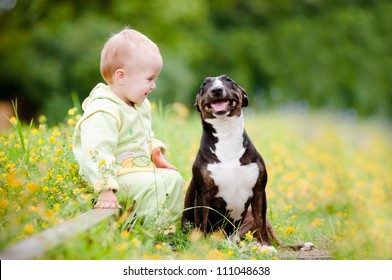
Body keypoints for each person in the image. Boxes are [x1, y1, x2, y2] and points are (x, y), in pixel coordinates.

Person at [73, 27, 184, 227]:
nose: (154, 86)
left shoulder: (140, 105)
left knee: (174, 179)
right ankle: (150, 236)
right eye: (150, 79)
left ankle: (168, 231)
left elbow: (145, 135)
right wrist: (105, 188)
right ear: (121, 77)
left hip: (136, 171)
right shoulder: (103, 110)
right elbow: (96, 152)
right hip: (112, 178)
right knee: (155, 185)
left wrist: (154, 151)